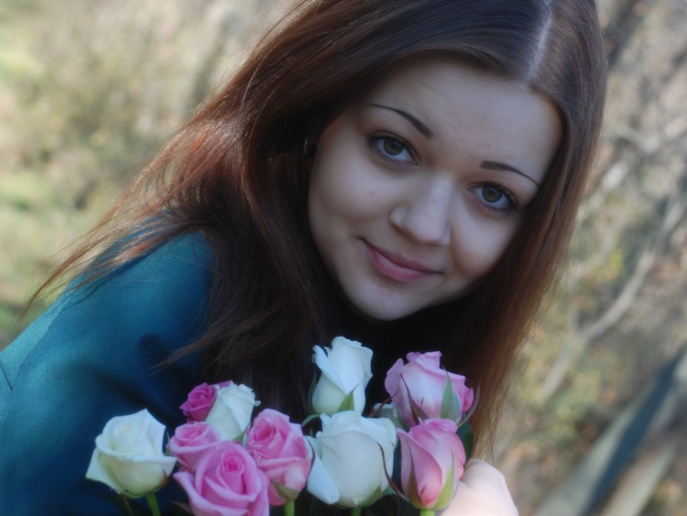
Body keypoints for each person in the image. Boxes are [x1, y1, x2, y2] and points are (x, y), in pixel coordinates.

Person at [0, 0, 606, 514]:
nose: (423, 225)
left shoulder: (413, 391)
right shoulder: (170, 296)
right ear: (320, 114)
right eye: (393, 146)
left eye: (493, 194)